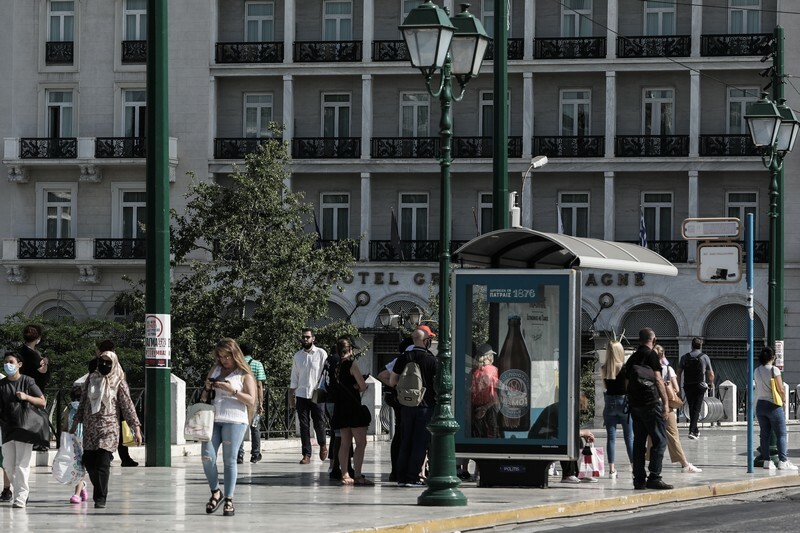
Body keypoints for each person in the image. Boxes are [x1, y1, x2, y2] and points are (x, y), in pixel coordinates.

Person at [71, 351, 142, 509]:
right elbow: (83, 402)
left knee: (103, 462)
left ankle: (100, 497)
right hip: (90, 428)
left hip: (109, 427)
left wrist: (136, 428)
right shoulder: (91, 379)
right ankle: (98, 487)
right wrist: (75, 422)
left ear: (114, 364)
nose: (104, 365)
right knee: (89, 461)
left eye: (108, 362)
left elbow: (127, 406)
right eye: (101, 361)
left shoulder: (118, 381)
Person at [198, 339, 256, 516]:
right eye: (220, 356)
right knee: (207, 457)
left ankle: (229, 499)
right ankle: (216, 492)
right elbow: (202, 399)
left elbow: (252, 400)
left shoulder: (244, 374)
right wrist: (207, 388)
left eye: (227, 356)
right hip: (212, 419)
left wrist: (232, 390)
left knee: (229, 460)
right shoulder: (215, 370)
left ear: (235, 355)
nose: (223, 360)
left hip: (235, 420)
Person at [389, 326, 437, 487]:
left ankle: (402, 477)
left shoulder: (404, 357)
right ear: (425, 341)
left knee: (405, 440)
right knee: (420, 443)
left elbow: (392, 381)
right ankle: (413, 477)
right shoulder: (431, 359)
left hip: (406, 405)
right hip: (425, 405)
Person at [625, 327, 672, 490]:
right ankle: (654, 477)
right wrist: (665, 404)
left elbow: (625, 381)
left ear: (639, 340)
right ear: (654, 340)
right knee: (659, 440)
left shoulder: (633, 357)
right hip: (651, 404)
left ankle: (638, 479)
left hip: (635, 406)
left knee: (639, 442)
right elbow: (658, 380)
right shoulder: (651, 354)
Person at [0, 352, 47, 508]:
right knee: (7, 464)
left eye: (11, 362)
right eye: (6, 362)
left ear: (19, 364)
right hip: (7, 429)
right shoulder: (1, 384)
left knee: (21, 465)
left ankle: (21, 497)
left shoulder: (28, 381)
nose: (8, 365)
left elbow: (42, 402)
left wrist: (27, 397)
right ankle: (22, 491)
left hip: (24, 428)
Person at [651, 345, 701, 474]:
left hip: (651, 404)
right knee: (673, 435)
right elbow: (677, 390)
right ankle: (685, 464)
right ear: (663, 355)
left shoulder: (648, 369)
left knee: (650, 436)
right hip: (666, 406)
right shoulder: (668, 369)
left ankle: (641, 462)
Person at [88, 339, 138, 467]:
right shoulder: (116, 365)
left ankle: (109, 457)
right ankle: (121, 457)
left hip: (98, 409)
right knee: (117, 431)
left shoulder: (95, 363)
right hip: (112, 407)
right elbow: (123, 384)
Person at [331, 338, 373, 486]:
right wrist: (359, 386)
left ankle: (345, 475)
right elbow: (362, 386)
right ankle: (358, 475)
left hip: (341, 408)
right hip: (353, 407)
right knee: (361, 443)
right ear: (349, 350)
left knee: (345, 443)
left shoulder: (335, 365)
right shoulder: (351, 364)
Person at [755, 346, 797, 471]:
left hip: (760, 404)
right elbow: (780, 388)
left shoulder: (756, 370)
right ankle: (783, 461)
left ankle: (767, 461)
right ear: (773, 357)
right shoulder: (775, 370)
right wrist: (784, 400)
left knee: (764, 435)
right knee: (781, 434)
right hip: (773, 405)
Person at [290, 328, 328, 465]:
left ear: (313, 338)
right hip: (301, 394)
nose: (305, 339)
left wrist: (323, 390)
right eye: (303, 337)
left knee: (319, 422)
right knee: (304, 425)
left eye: (308, 337)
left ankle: (323, 444)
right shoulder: (297, 356)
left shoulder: (321, 353)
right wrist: (291, 395)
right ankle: (306, 454)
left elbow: (325, 374)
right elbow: (294, 377)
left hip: (317, 393)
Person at [600, 339, 633, 479]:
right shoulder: (625, 368)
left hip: (610, 403)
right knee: (629, 438)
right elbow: (628, 387)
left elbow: (606, 387)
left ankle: (612, 469)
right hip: (624, 402)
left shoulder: (604, 368)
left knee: (611, 438)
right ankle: (634, 467)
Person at [676, 337, 714, 440]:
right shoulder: (704, 357)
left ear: (691, 345)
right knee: (696, 408)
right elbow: (710, 373)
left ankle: (695, 430)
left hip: (688, 385)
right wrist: (710, 384)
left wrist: (678, 387)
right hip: (699, 385)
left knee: (692, 407)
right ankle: (692, 431)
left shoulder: (684, 357)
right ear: (701, 346)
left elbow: (678, 372)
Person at [237, 342, 266, 464]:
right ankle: (255, 454)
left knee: (240, 428)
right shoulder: (257, 364)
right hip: (253, 401)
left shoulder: (237, 365)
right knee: (254, 428)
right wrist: (260, 403)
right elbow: (259, 385)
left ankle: (239, 454)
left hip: (240, 399)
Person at [63, 385, 88, 503]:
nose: (76, 402)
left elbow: (64, 426)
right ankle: (81, 486)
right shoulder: (74, 408)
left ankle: (77, 494)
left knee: (80, 467)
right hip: (75, 443)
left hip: (82, 442)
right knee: (76, 467)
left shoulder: (72, 408)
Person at [470, 343, 499, 439]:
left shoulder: (474, 371)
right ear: (489, 356)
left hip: (476, 406)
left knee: (479, 432)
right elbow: (494, 392)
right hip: (490, 406)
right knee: (491, 433)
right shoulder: (493, 370)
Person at [18, 324, 50, 393]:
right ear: (37, 337)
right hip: (34, 389)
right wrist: (45, 362)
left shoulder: (22, 350)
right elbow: (42, 370)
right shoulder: (31, 353)